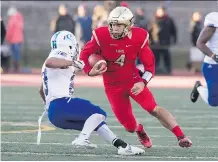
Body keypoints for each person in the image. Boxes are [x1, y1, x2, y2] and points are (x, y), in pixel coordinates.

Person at [80, 6, 192, 149]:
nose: (114, 28)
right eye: (112, 24)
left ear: (129, 25)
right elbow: (83, 55)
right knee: (129, 127)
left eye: (119, 24)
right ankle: (140, 130)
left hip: (132, 80)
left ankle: (181, 136)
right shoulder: (100, 35)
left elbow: (150, 66)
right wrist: (89, 71)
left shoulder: (140, 36)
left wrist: (143, 82)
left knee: (153, 108)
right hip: (112, 86)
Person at [38, 30, 145, 156]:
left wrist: (47, 104)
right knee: (99, 113)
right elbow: (50, 62)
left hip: (54, 114)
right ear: (69, 44)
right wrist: (72, 62)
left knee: (96, 122)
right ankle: (82, 139)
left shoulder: (58, 62)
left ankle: (123, 146)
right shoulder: (60, 55)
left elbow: (41, 89)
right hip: (62, 104)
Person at [190, 11, 218, 107]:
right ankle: (199, 87)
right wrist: (213, 56)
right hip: (213, 65)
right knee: (214, 102)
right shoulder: (214, 20)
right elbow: (200, 43)